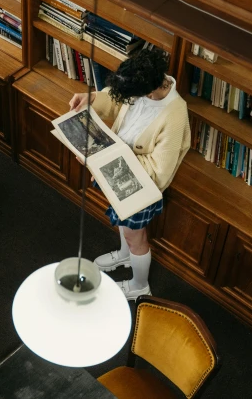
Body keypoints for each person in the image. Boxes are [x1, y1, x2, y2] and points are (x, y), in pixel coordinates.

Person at [69, 46, 190, 300]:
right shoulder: (143, 84)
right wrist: (92, 98)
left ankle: (139, 286)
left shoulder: (176, 114)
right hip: (118, 169)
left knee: (137, 237)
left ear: (148, 91)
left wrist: (107, 158)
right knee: (124, 224)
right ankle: (125, 255)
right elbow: (116, 101)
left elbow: (159, 172)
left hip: (140, 184)